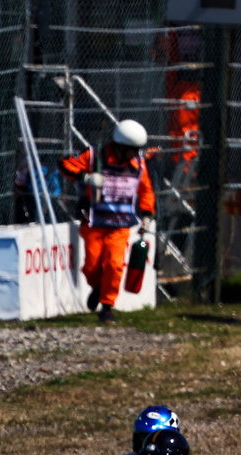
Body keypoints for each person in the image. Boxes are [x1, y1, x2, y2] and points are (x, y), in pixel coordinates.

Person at [60, 120, 156, 325]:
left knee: (114, 264)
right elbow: (65, 164)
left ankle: (107, 306)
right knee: (92, 266)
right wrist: (85, 177)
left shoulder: (139, 165)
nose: (134, 154)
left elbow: (146, 190)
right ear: (120, 147)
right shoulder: (94, 157)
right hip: (94, 223)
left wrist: (147, 215)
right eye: (131, 150)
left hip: (120, 227)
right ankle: (97, 287)